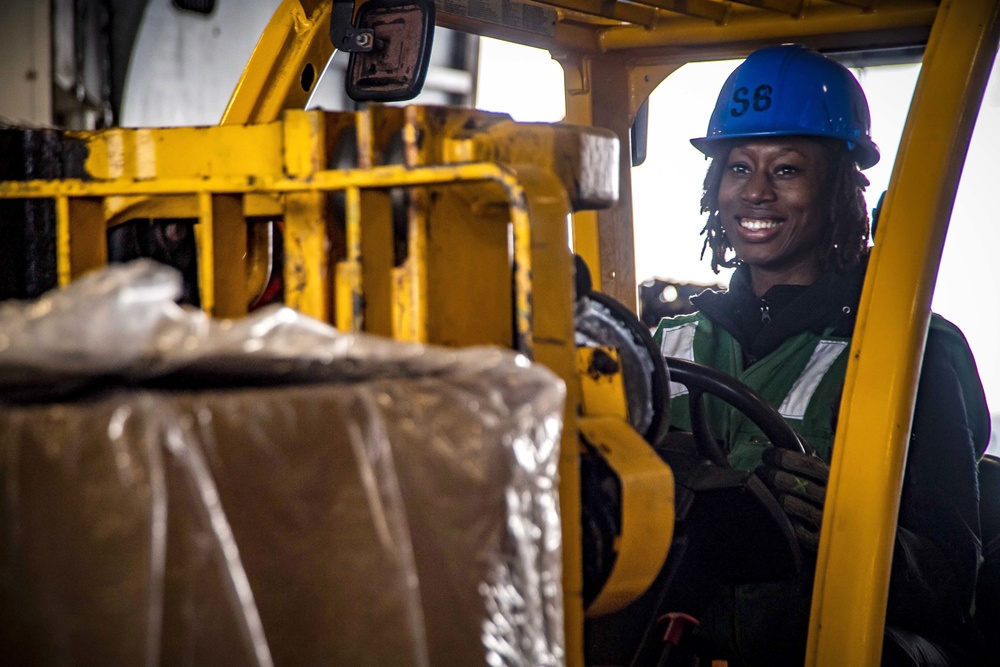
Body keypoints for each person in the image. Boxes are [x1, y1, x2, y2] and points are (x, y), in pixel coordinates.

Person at [652, 44, 991, 666]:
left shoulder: (911, 348)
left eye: (786, 170)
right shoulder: (668, 343)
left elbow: (948, 584)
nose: (755, 193)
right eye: (738, 167)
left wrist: (840, 526)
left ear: (837, 186)